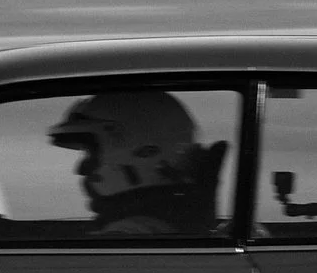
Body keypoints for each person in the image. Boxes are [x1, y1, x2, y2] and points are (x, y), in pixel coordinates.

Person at [47, 92, 220, 236]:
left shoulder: (131, 235)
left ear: (144, 152)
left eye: (91, 153)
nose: (81, 169)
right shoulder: (167, 226)